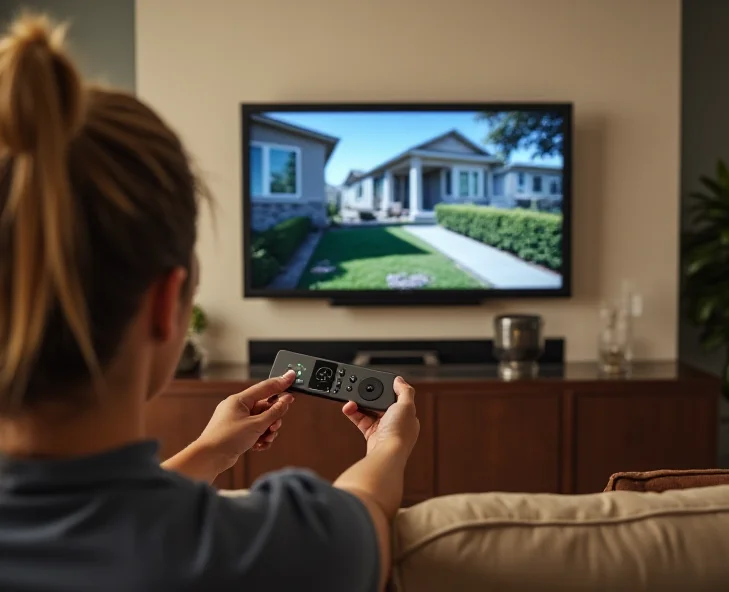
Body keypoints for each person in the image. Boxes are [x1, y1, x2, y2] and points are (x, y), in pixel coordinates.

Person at [0, 14, 419, 592]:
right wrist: (390, 447)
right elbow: (366, 512)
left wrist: (208, 452)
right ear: (167, 303)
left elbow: (77, 516)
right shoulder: (275, 547)